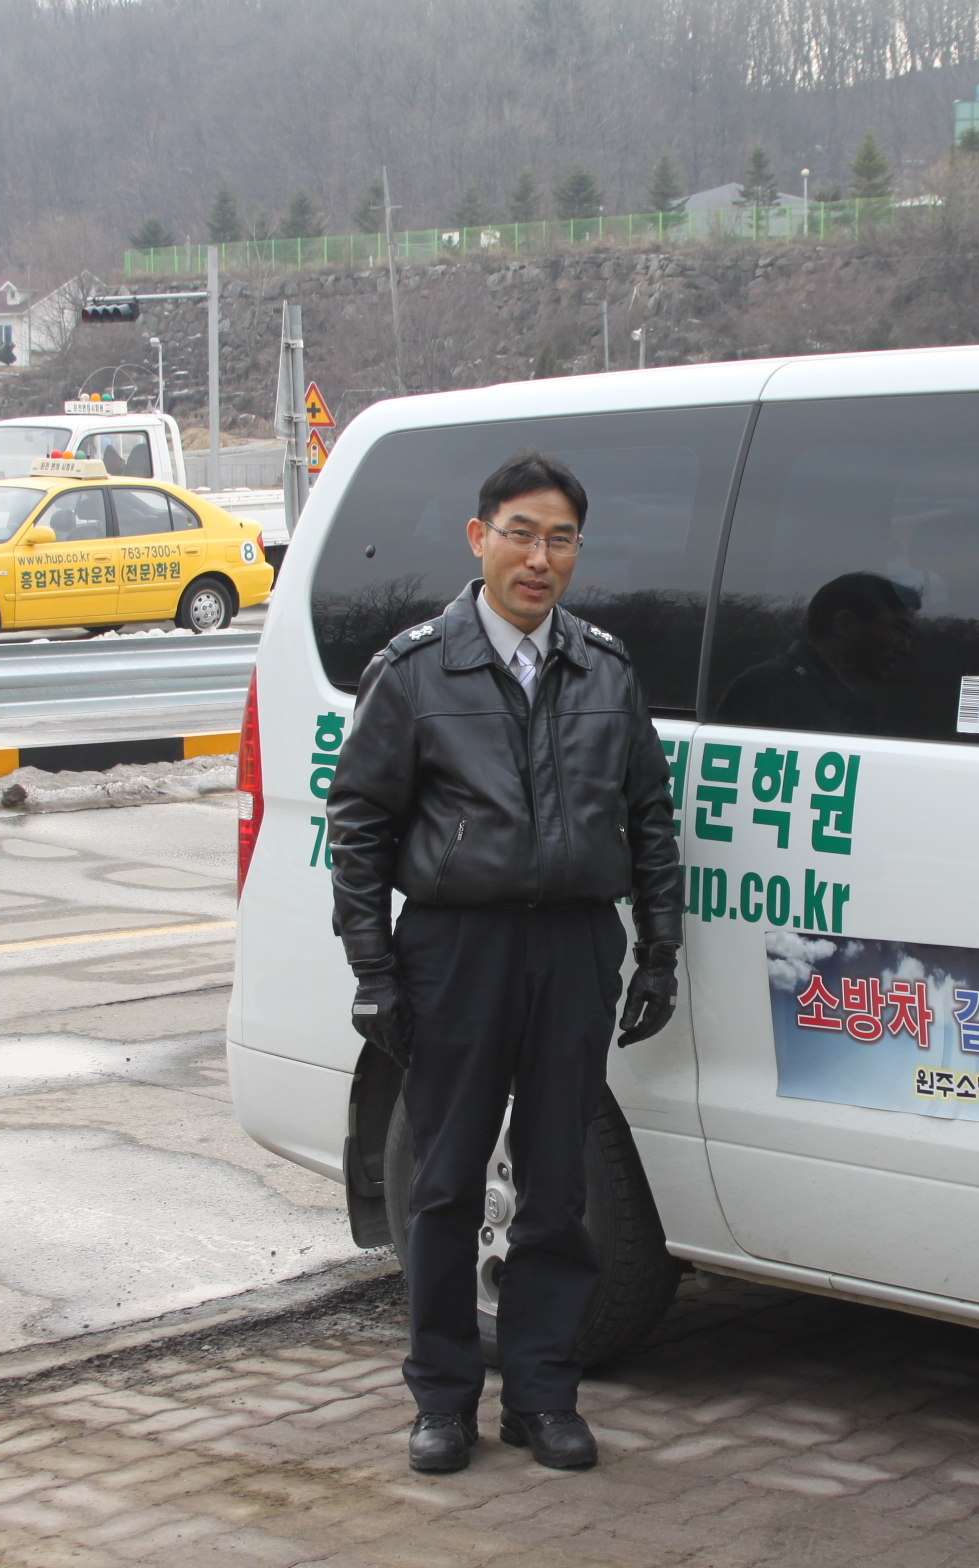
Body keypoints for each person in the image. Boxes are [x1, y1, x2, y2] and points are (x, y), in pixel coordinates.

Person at [327, 450, 684, 1475]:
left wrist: (659, 950)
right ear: (479, 538)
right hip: (457, 949)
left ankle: (542, 1395)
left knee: (558, 1185)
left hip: (575, 944)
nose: (540, 558)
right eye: (521, 533)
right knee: (445, 1185)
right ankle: (443, 1399)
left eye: (561, 538)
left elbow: (649, 817)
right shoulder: (415, 671)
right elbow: (359, 825)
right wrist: (374, 972)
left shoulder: (605, 669)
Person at [717, 570, 918, 732]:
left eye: (909, 636)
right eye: (899, 631)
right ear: (845, 625)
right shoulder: (767, 690)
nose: (905, 648)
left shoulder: (843, 696)